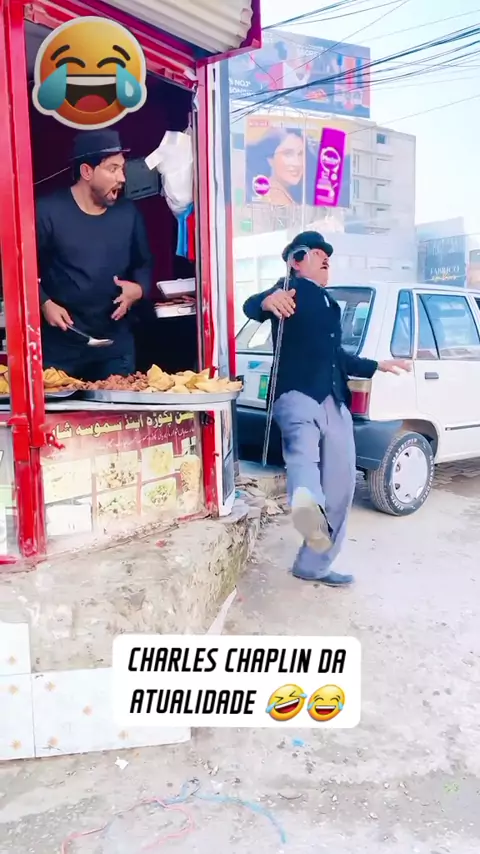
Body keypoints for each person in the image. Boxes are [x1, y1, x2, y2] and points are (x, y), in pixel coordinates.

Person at [243, 231, 411, 588]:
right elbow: (251, 305)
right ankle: (309, 522)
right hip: (297, 397)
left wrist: (377, 365)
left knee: (341, 485)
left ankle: (314, 564)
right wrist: (267, 301)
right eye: (318, 253)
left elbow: (338, 356)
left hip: (334, 401)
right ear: (296, 260)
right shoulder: (288, 289)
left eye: (327, 256)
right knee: (304, 468)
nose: (325, 260)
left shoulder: (330, 303)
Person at [36, 129, 152, 380]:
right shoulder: (47, 212)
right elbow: (19, 267)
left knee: (117, 405)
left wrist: (138, 289)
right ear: (87, 172)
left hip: (115, 347)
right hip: (60, 347)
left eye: (122, 169)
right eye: (112, 169)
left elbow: (144, 264)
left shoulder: (128, 213)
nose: (122, 177)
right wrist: (44, 302)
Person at [246, 128, 316, 206]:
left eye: (300, 154)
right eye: (288, 154)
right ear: (270, 159)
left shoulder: (292, 194)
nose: (297, 163)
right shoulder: (273, 197)